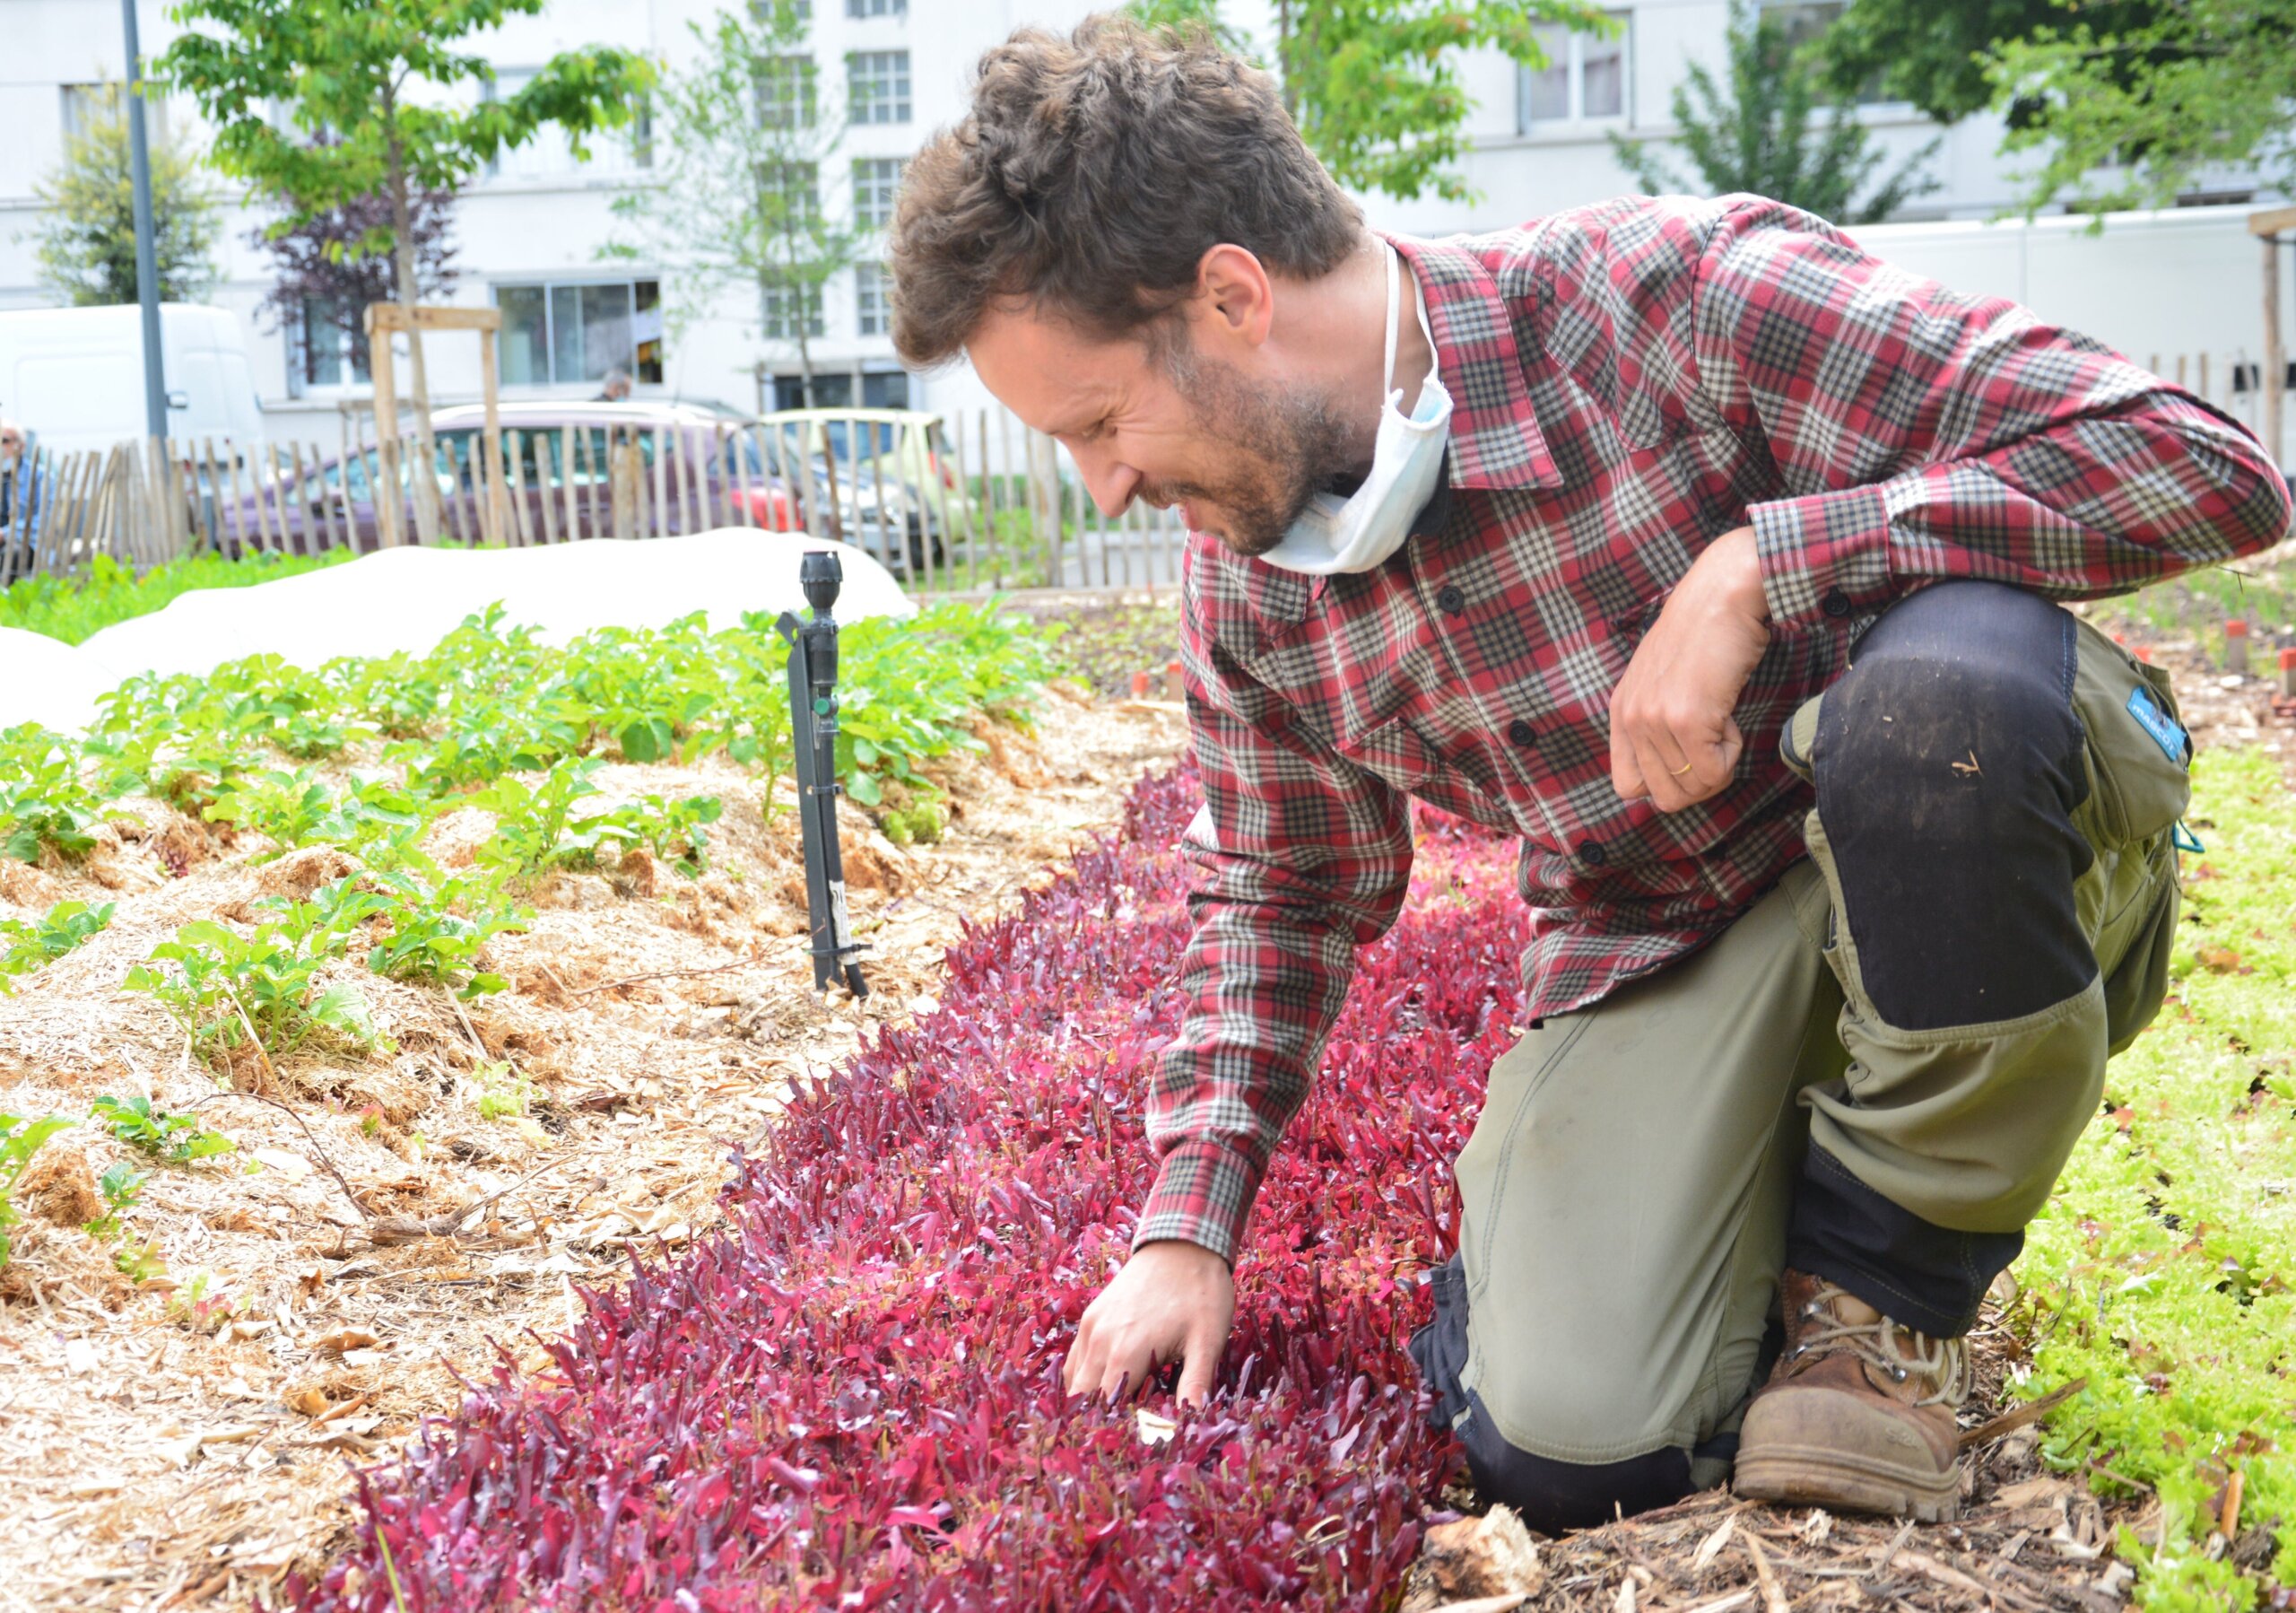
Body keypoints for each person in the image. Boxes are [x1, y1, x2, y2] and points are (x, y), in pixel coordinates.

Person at [888, 18, 2294, 1531]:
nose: (1107, 483)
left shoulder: (1669, 302)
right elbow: (1280, 889)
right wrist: (1189, 1223)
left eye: (1103, 422)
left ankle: (1886, 1293)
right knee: (1568, 1445)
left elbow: (2195, 460)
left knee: (1940, 707)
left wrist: (1771, 557)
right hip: (1679, 927)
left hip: (1957, 803)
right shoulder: (1252, 586)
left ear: (1232, 296)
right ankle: (1759, 1216)